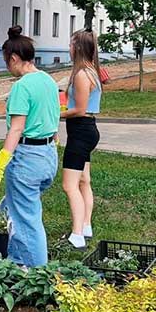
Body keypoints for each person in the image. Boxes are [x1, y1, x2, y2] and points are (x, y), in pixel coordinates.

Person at [0, 27, 59, 268]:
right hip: (48, 157)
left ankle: (36, 273)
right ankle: (17, 260)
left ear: (14, 59)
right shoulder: (48, 80)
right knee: (19, 207)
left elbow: (16, 129)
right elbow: (55, 120)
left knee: (27, 220)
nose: (8, 68)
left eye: (7, 63)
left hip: (27, 159)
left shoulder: (22, 87)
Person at [60, 30, 102, 250]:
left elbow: (79, 109)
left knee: (69, 185)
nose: (68, 49)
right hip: (86, 131)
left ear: (77, 48)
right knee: (84, 180)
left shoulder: (82, 75)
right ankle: (86, 225)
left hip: (81, 132)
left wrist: (56, 114)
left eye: (70, 45)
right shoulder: (90, 70)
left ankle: (77, 235)